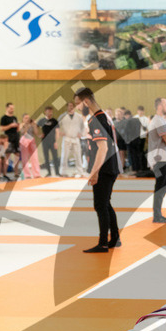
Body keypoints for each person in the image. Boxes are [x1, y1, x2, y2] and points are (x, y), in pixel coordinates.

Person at [75, 87, 122, 253]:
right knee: (105, 203)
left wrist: (94, 172)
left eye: (78, 104)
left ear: (86, 101)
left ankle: (103, 243)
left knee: (100, 205)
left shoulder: (96, 120)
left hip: (105, 168)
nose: (78, 108)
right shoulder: (105, 117)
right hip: (111, 166)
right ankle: (115, 238)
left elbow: (102, 148)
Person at [146, 97, 166, 223]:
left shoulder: (160, 120)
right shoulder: (159, 121)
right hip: (160, 158)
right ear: (160, 106)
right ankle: (157, 215)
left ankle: (158, 214)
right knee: (160, 187)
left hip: (161, 158)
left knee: (162, 186)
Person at [57, 100, 85, 176]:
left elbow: (83, 127)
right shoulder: (62, 116)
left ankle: (80, 172)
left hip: (76, 138)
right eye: (69, 106)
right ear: (67, 107)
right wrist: (60, 133)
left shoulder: (79, 116)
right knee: (64, 156)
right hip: (67, 138)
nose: (71, 107)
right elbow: (56, 127)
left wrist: (81, 134)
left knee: (78, 156)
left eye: (72, 106)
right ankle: (63, 172)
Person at [17, 114, 41, 179]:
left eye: (28, 118)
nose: (27, 119)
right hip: (24, 140)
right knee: (25, 158)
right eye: (26, 118)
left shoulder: (32, 124)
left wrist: (35, 125)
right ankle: (27, 175)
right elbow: (22, 132)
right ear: (23, 119)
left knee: (35, 157)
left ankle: (36, 174)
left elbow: (36, 133)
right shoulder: (21, 124)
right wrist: (26, 125)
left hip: (31, 139)